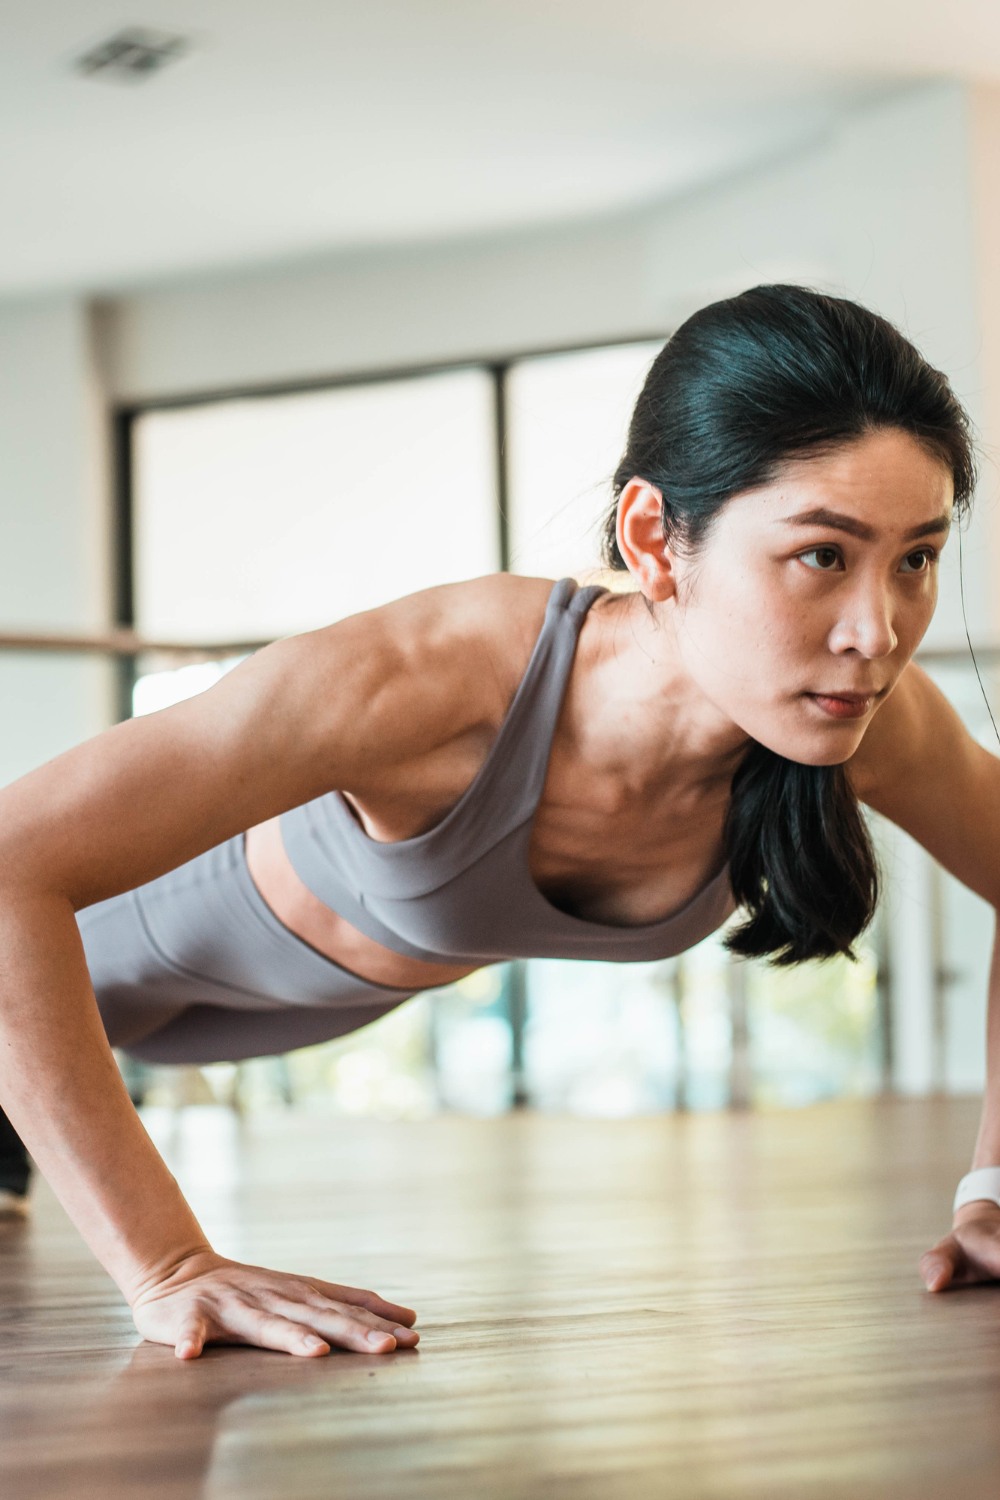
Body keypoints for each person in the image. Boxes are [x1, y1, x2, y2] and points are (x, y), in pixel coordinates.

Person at [1, 283, 998, 1362]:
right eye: (821, 555)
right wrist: (168, 1264)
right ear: (655, 537)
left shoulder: (860, 720)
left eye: (916, 559)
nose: (877, 630)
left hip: (158, 1024)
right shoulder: (438, 676)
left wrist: (993, 1182)